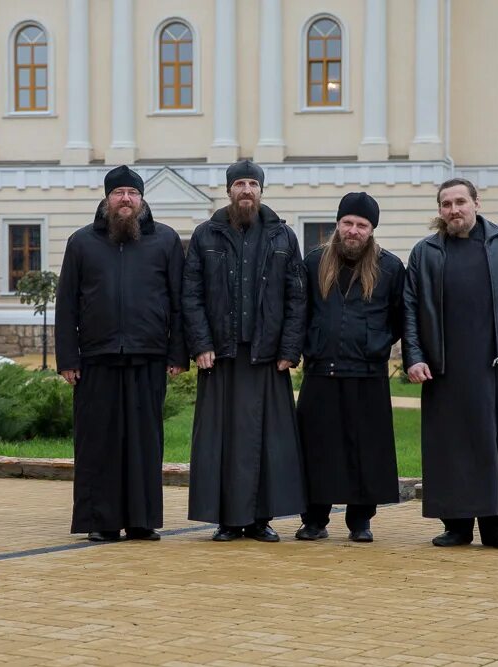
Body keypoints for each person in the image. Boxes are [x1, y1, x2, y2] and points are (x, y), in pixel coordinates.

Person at [403, 178, 498, 551]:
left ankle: (496, 526)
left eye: (460, 202)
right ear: (439, 210)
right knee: (449, 447)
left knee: (494, 445)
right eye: (446, 204)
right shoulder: (426, 252)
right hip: (443, 368)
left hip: (494, 364)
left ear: (476, 203)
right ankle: (457, 526)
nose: (454, 210)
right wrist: (414, 357)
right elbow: (411, 312)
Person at [55, 165, 188, 543]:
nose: (125, 199)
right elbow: (66, 304)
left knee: (145, 442)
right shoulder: (82, 242)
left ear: (142, 200)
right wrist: (68, 359)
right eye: (118, 193)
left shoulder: (164, 241)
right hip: (97, 359)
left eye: (132, 193)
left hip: (148, 357)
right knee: (99, 442)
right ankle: (102, 520)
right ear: (107, 199)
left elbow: (178, 303)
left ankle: (143, 520)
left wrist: (178, 353)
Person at [182, 159, 307, 542]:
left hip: (267, 358)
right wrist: (201, 344)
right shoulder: (206, 235)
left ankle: (260, 520)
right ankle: (226, 520)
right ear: (229, 190)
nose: (247, 190)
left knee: (266, 443)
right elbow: (192, 295)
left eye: (253, 183)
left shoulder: (283, 236)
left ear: (261, 190)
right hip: (221, 357)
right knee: (222, 442)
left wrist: (289, 348)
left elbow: (297, 297)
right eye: (240, 184)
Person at [295, 192, 405, 543]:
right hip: (320, 370)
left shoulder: (389, 267)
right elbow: (301, 312)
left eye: (362, 225)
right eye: (348, 223)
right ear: (337, 224)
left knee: (367, 451)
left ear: (372, 229)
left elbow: (400, 317)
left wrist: (377, 342)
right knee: (316, 449)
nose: (353, 231)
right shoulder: (313, 263)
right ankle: (314, 519)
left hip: (367, 371)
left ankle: (361, 521)